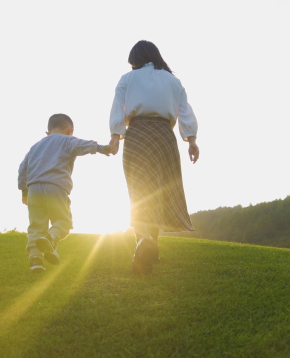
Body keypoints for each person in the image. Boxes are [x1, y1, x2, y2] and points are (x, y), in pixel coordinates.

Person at [108, 40, 200, 275]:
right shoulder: (173, 81)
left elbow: (118, 107)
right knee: (158, 191)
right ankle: (153, 248)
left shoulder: (127, 79)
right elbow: (185, 112)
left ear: (136, 59)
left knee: (139, 190)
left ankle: (144, 241)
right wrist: (192, 140)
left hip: (137, 134)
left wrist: (116, 136)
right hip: (163, 137)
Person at [18, 113, 109, 273]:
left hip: (33, 189)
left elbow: (22, 169)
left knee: (36, 226)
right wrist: (102, 148)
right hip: (56, 186)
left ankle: (36, 260)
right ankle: (50, 239)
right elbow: (82, 145)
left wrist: (24, 190)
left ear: (47, 132)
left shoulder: (34, 147)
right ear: (70, 130)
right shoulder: (67, 140)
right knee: (63, 222)